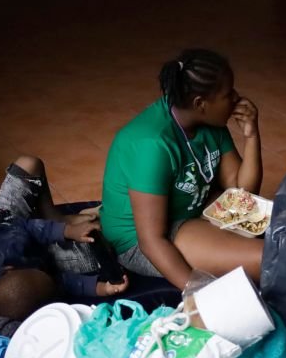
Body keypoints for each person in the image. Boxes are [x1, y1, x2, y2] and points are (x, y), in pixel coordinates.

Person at [98, 48, 264, 290]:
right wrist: (195, 292)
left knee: (271, 227)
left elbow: (243, 196)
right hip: (145, 238)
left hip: (191, 209)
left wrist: (251, 135)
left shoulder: (208, 122)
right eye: (229, 93)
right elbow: (151, 240)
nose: (237, 98)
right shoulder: (152, 144)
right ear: (201, 104)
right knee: (267, 260)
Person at [0, 155, 129, 320]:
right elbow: (63, 283)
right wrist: (104, 288)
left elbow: (28, 227)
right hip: (40, 254)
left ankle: (54, 217)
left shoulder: (8, 247)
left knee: (29, 164)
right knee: (96, 252)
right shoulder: (36, 290)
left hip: (8, 224)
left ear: (9, 269)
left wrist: (67, 231)